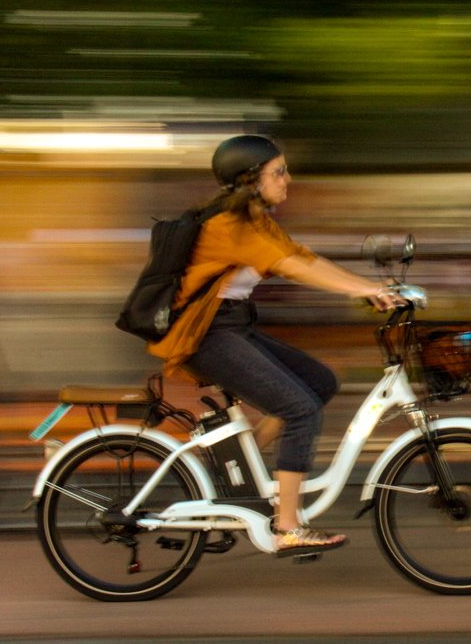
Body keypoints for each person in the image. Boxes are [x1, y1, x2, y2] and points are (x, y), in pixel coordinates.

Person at [148, 134, 403, 551]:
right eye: (278, 172)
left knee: (319, 383)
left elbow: (303, 257)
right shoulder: (229, 225)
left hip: (230, 327)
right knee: (300, 409)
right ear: (251, 179)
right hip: (205, 335)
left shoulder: (254, 219)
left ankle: (232, 475)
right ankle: (287, 527)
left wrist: (371, 287)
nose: (288, 179)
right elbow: (291, 268)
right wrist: (359, 291)